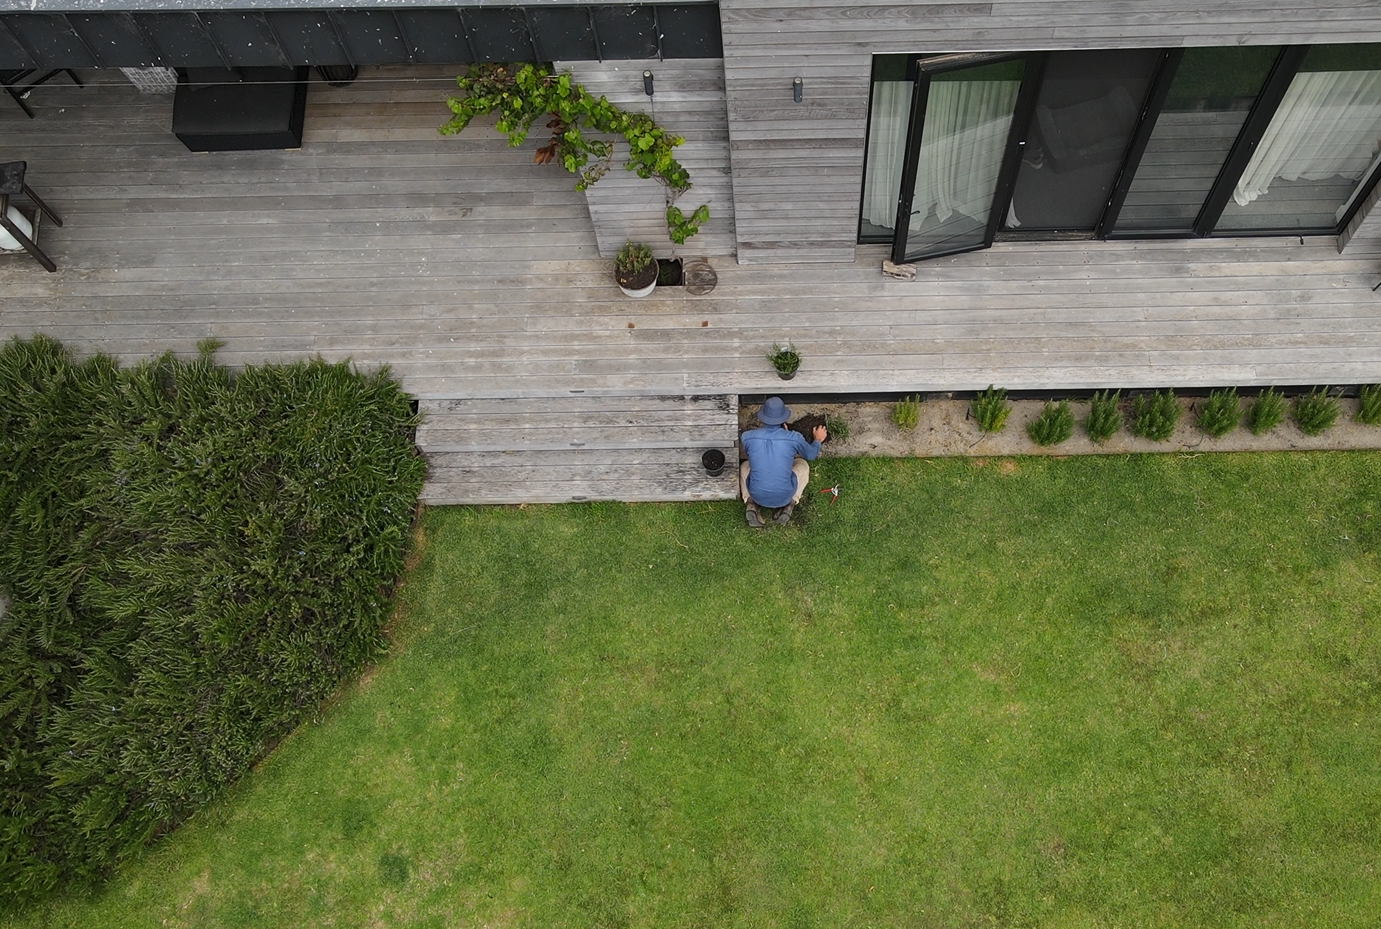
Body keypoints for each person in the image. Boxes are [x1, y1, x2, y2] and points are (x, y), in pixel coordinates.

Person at [739, 397, 826, 527]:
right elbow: (811, 454)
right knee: (803, 466)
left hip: (756, 493)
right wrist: (818, 440)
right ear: (783, 418)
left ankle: (750, 503)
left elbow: (752, 453)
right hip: (785, 494)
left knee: (745, 466)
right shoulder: (793, 438)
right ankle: (790, 504)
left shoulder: (747, 437)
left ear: (762, 417)